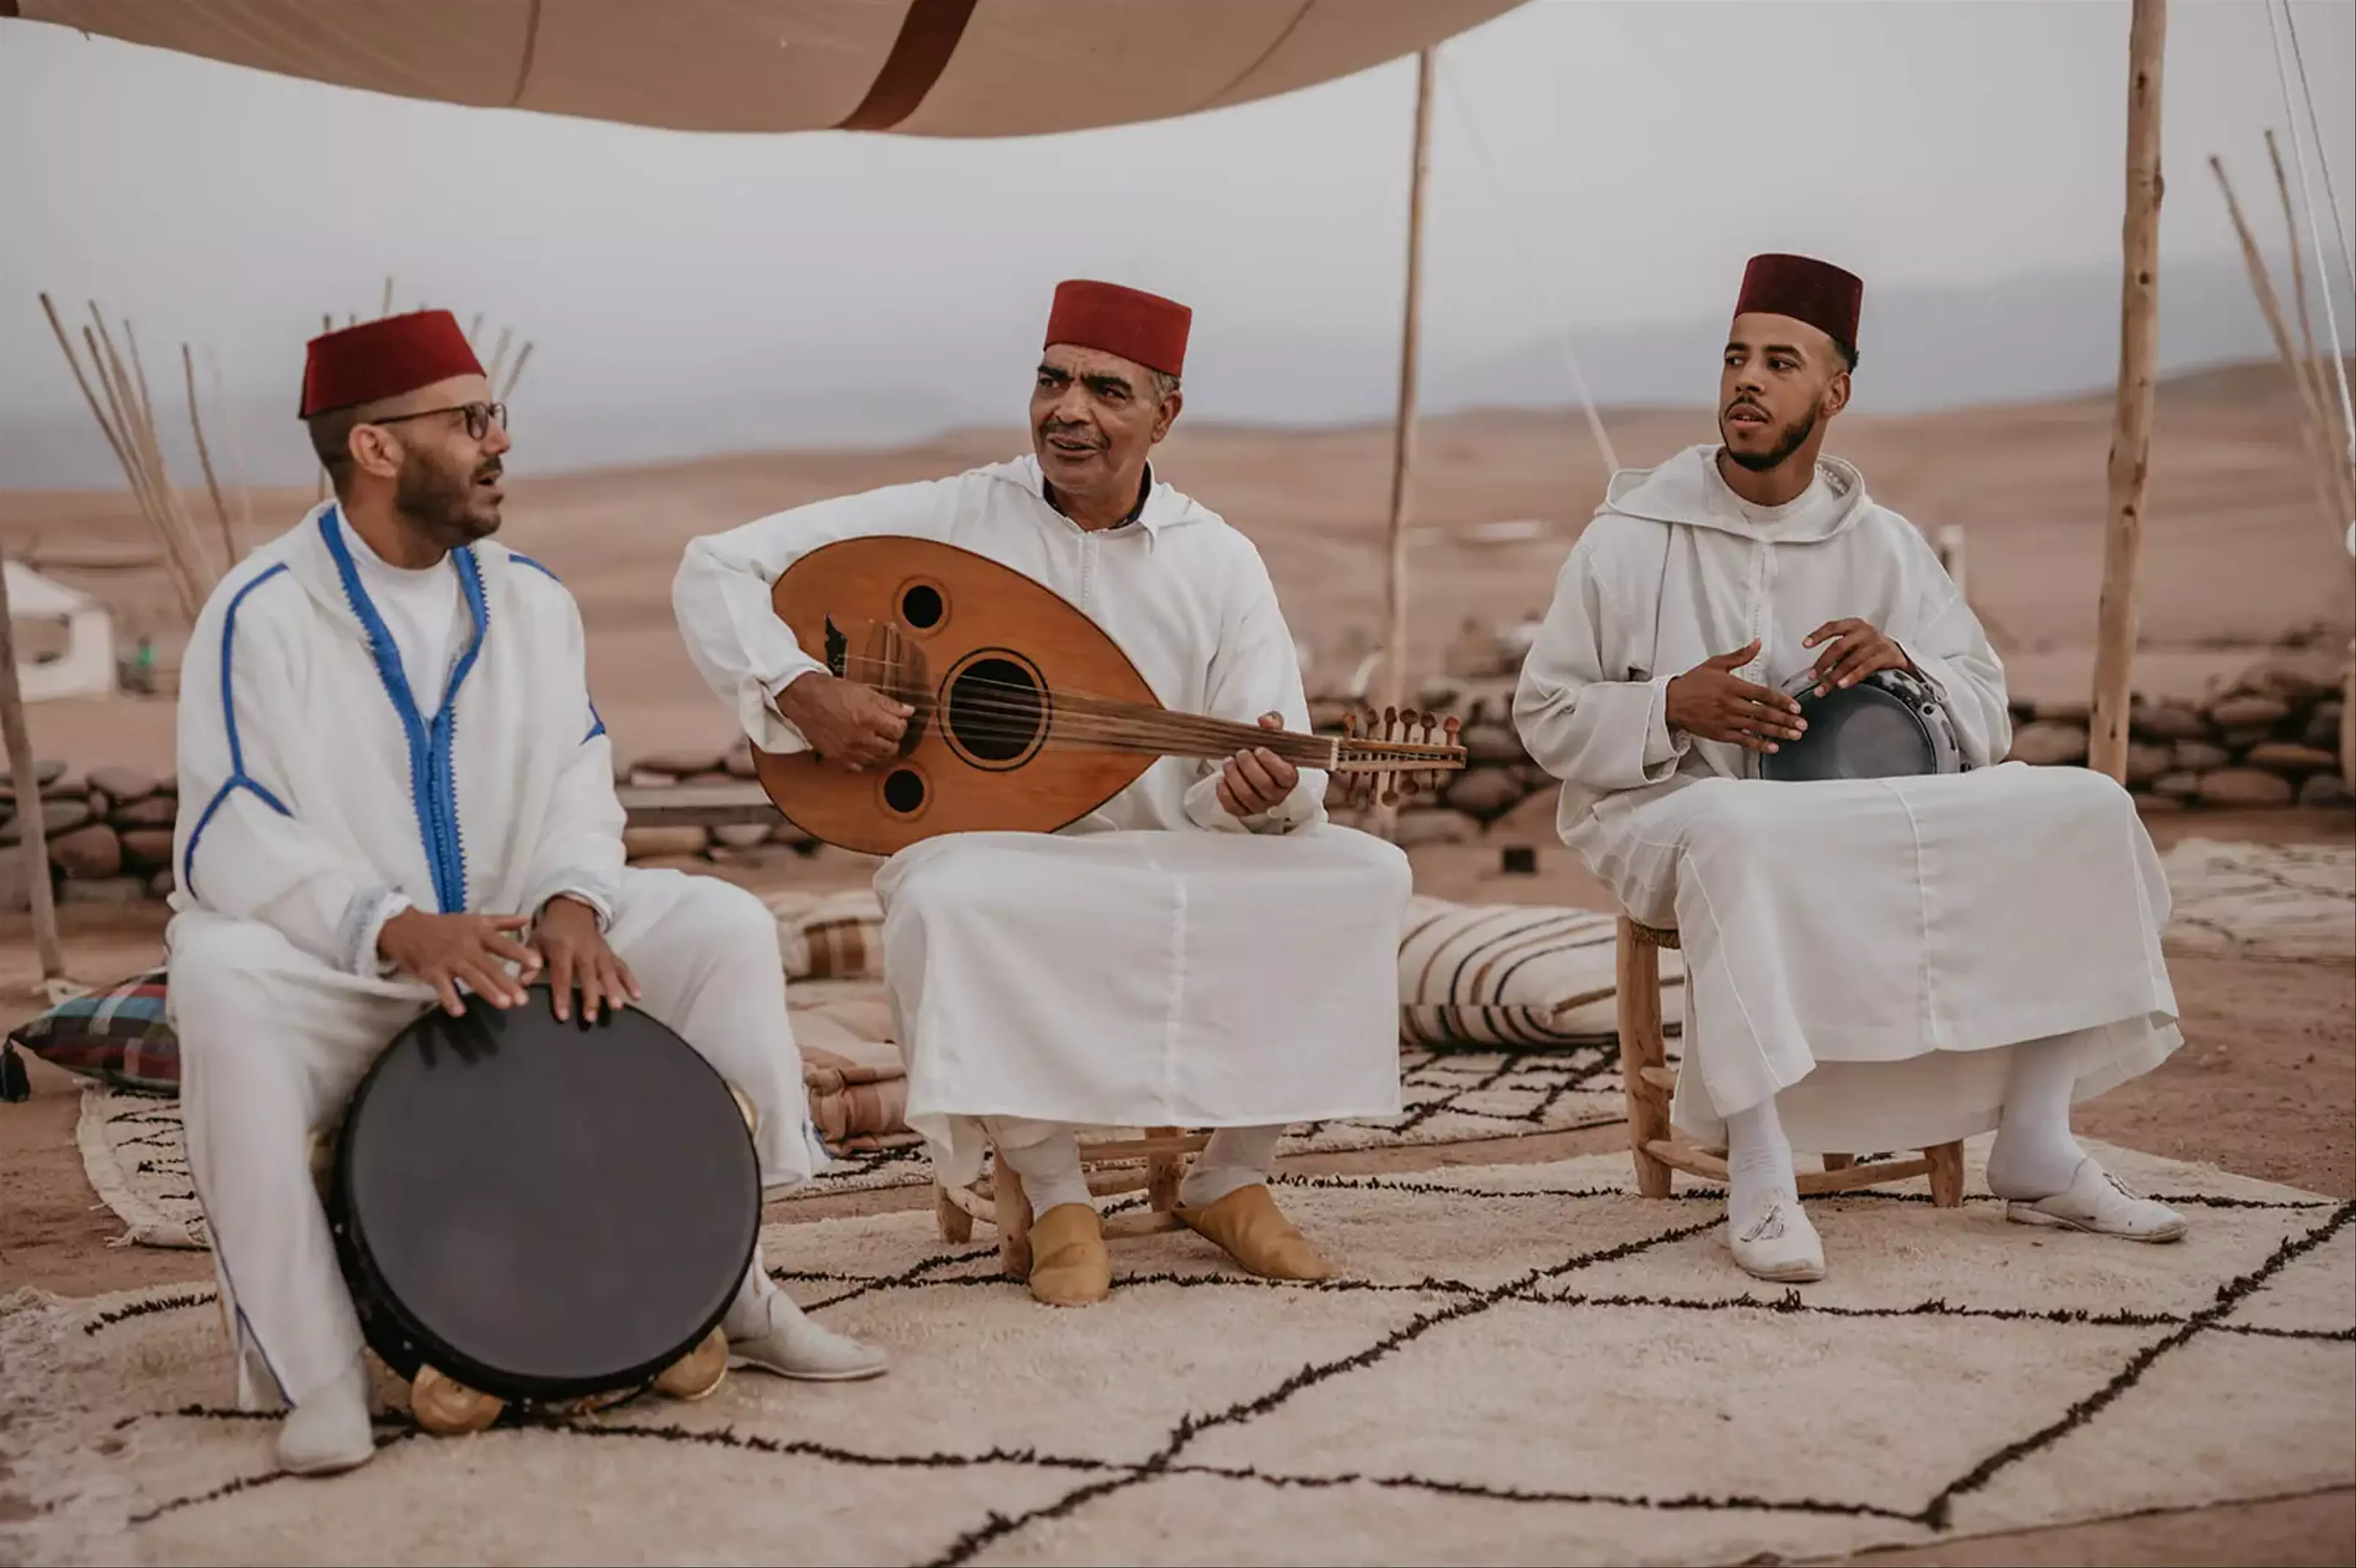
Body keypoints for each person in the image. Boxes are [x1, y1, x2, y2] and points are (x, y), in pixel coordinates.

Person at [167, 310, 886, 1479]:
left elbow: (574, 773)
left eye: (495, 414)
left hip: (517, 935)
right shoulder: (264, 610)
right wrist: (388, 925)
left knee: (719, 927)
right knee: (218, 980)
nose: (502, 440)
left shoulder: (530, 600)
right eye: (471, 420)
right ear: (377, 449)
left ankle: (736, 1290)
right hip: (344, 963)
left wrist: (571, 903)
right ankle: (317, 1372)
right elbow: (227, 827)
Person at [672, 280, 1408, 1307]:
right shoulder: (956, 516)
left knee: (1365, 873)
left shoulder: (1219, 560)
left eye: (1107, 390)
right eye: (1051, 380)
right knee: (943, 896)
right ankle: (1058, 1195)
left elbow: (1256, 747)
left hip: (1174, 849)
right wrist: (800, 688)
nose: (1070, 409)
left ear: (1166, 414)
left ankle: (1231, 1178)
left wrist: (1253, 796)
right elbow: (715, 568)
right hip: (1002, 852)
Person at [1513, 254, 2187, 1283]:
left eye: (1781, 363)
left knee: (2086, 807)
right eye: (1737, 358)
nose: (1747, 380)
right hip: (1676, 810)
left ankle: (2039, 1143)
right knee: (1740, 831)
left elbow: (1987, 715)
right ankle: (1762, 1165)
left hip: (1865, 816)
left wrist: (1909, 667)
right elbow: (1546, 712)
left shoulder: (1887, 545)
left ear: (1835, 393)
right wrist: (1666, 705)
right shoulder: (1630, 537)